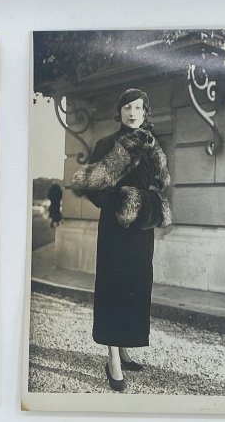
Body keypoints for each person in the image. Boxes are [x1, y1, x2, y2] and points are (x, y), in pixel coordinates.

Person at [71, 88, 171, 393]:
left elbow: (161, 185)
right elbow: (88, 183)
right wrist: (120, 200)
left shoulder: (154, 147)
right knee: (114, 287)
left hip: (142, 231)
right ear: (120, 111)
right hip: (116, 229)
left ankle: (125, 348)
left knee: (136, 287)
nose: (132, 112)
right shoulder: (107, 144)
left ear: (145, 112)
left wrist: (147, 204)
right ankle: (112, 358)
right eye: (127, 107)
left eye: (138, 108)